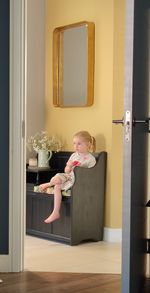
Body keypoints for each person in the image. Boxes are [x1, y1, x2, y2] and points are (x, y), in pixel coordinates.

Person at [39, 130, 96, 224]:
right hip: (68, 176)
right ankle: (50, 184)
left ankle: (55, 212)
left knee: (57, 186)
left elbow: (90, 174)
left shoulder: (90, 159)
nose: (76, 146)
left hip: (77, 180)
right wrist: (69, 166)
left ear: (88, 144)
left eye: (79, 144)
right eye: (74, 144)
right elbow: (66, 171)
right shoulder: (73, 155)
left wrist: (78, 167)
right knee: (55, 179)